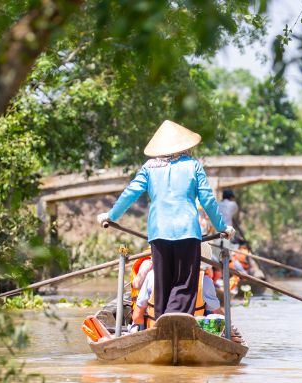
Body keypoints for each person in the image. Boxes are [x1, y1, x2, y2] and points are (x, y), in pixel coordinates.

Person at [97, 120, 234, 323]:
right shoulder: (193, 166)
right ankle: (174, 322)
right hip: (187, 233)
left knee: (162, 284)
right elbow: (207, 200)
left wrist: (111, 216)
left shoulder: (149, 167)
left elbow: (130, 193)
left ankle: (162, 322)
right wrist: (223, 227)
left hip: (159, 232)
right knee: (185, 284)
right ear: (184, 146)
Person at [131, 243, 221, 330]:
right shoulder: (205, 281)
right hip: (192, 333)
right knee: (210, 313)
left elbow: (137, 318)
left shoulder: (152, 275)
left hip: (157, 332)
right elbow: (217, 311)